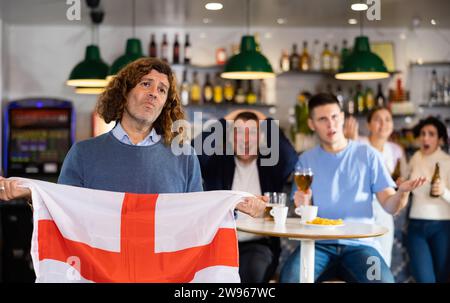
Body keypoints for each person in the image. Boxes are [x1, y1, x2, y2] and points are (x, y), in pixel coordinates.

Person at [0, 58, 266, 219]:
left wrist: (238, 205)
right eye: (146, 84)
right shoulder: (83, 153)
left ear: (166, 104)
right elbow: (65, 210)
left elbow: (196, 215)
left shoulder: (184, 156)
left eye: (162, 90)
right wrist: (30, 193)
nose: (154, 93)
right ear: (124, 92)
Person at [280, 93, 426, 283]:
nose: (330, 124)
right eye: (322, 119)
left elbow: (390, 206)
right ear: (311, 124)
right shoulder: (306, 160)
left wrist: (402, 193)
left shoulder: (368, 155)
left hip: (361, 245)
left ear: (342, 117)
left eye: (334, 117)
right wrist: (303, 204)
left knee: (383, 281)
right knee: (290, 278)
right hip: (317, 245)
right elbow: (301, 210)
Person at [193, 109, 298, 282]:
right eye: (239, 133)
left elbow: (290, 156)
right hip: (219, 241)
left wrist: (264, 120)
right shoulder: (218, 163)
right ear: (230, 138)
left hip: (258, 245)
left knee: (252, 272)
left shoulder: (271, 165)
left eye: (253, 133)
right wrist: (226, 120)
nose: (246, 140)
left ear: (261, 138)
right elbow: (195, 150)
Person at [344, 107, 408, 267]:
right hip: (358, 211)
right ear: (369, 125)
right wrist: (349, 145)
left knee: (381, 260)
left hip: (385, 210)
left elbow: (402, 178)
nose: (383, 124)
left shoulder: (396, 150)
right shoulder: (356, 142)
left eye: (387, 119)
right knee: (358, 261)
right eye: (378, 119)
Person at [407, 116, 450, 283]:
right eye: (423, 133)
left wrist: (444, 191)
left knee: (442, 278)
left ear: (440, 139)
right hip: (416, 226)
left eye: (431, 134)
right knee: (424, 279)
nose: (425, 138)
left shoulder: (447, 161)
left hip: (442, 227)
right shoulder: (414, 158)